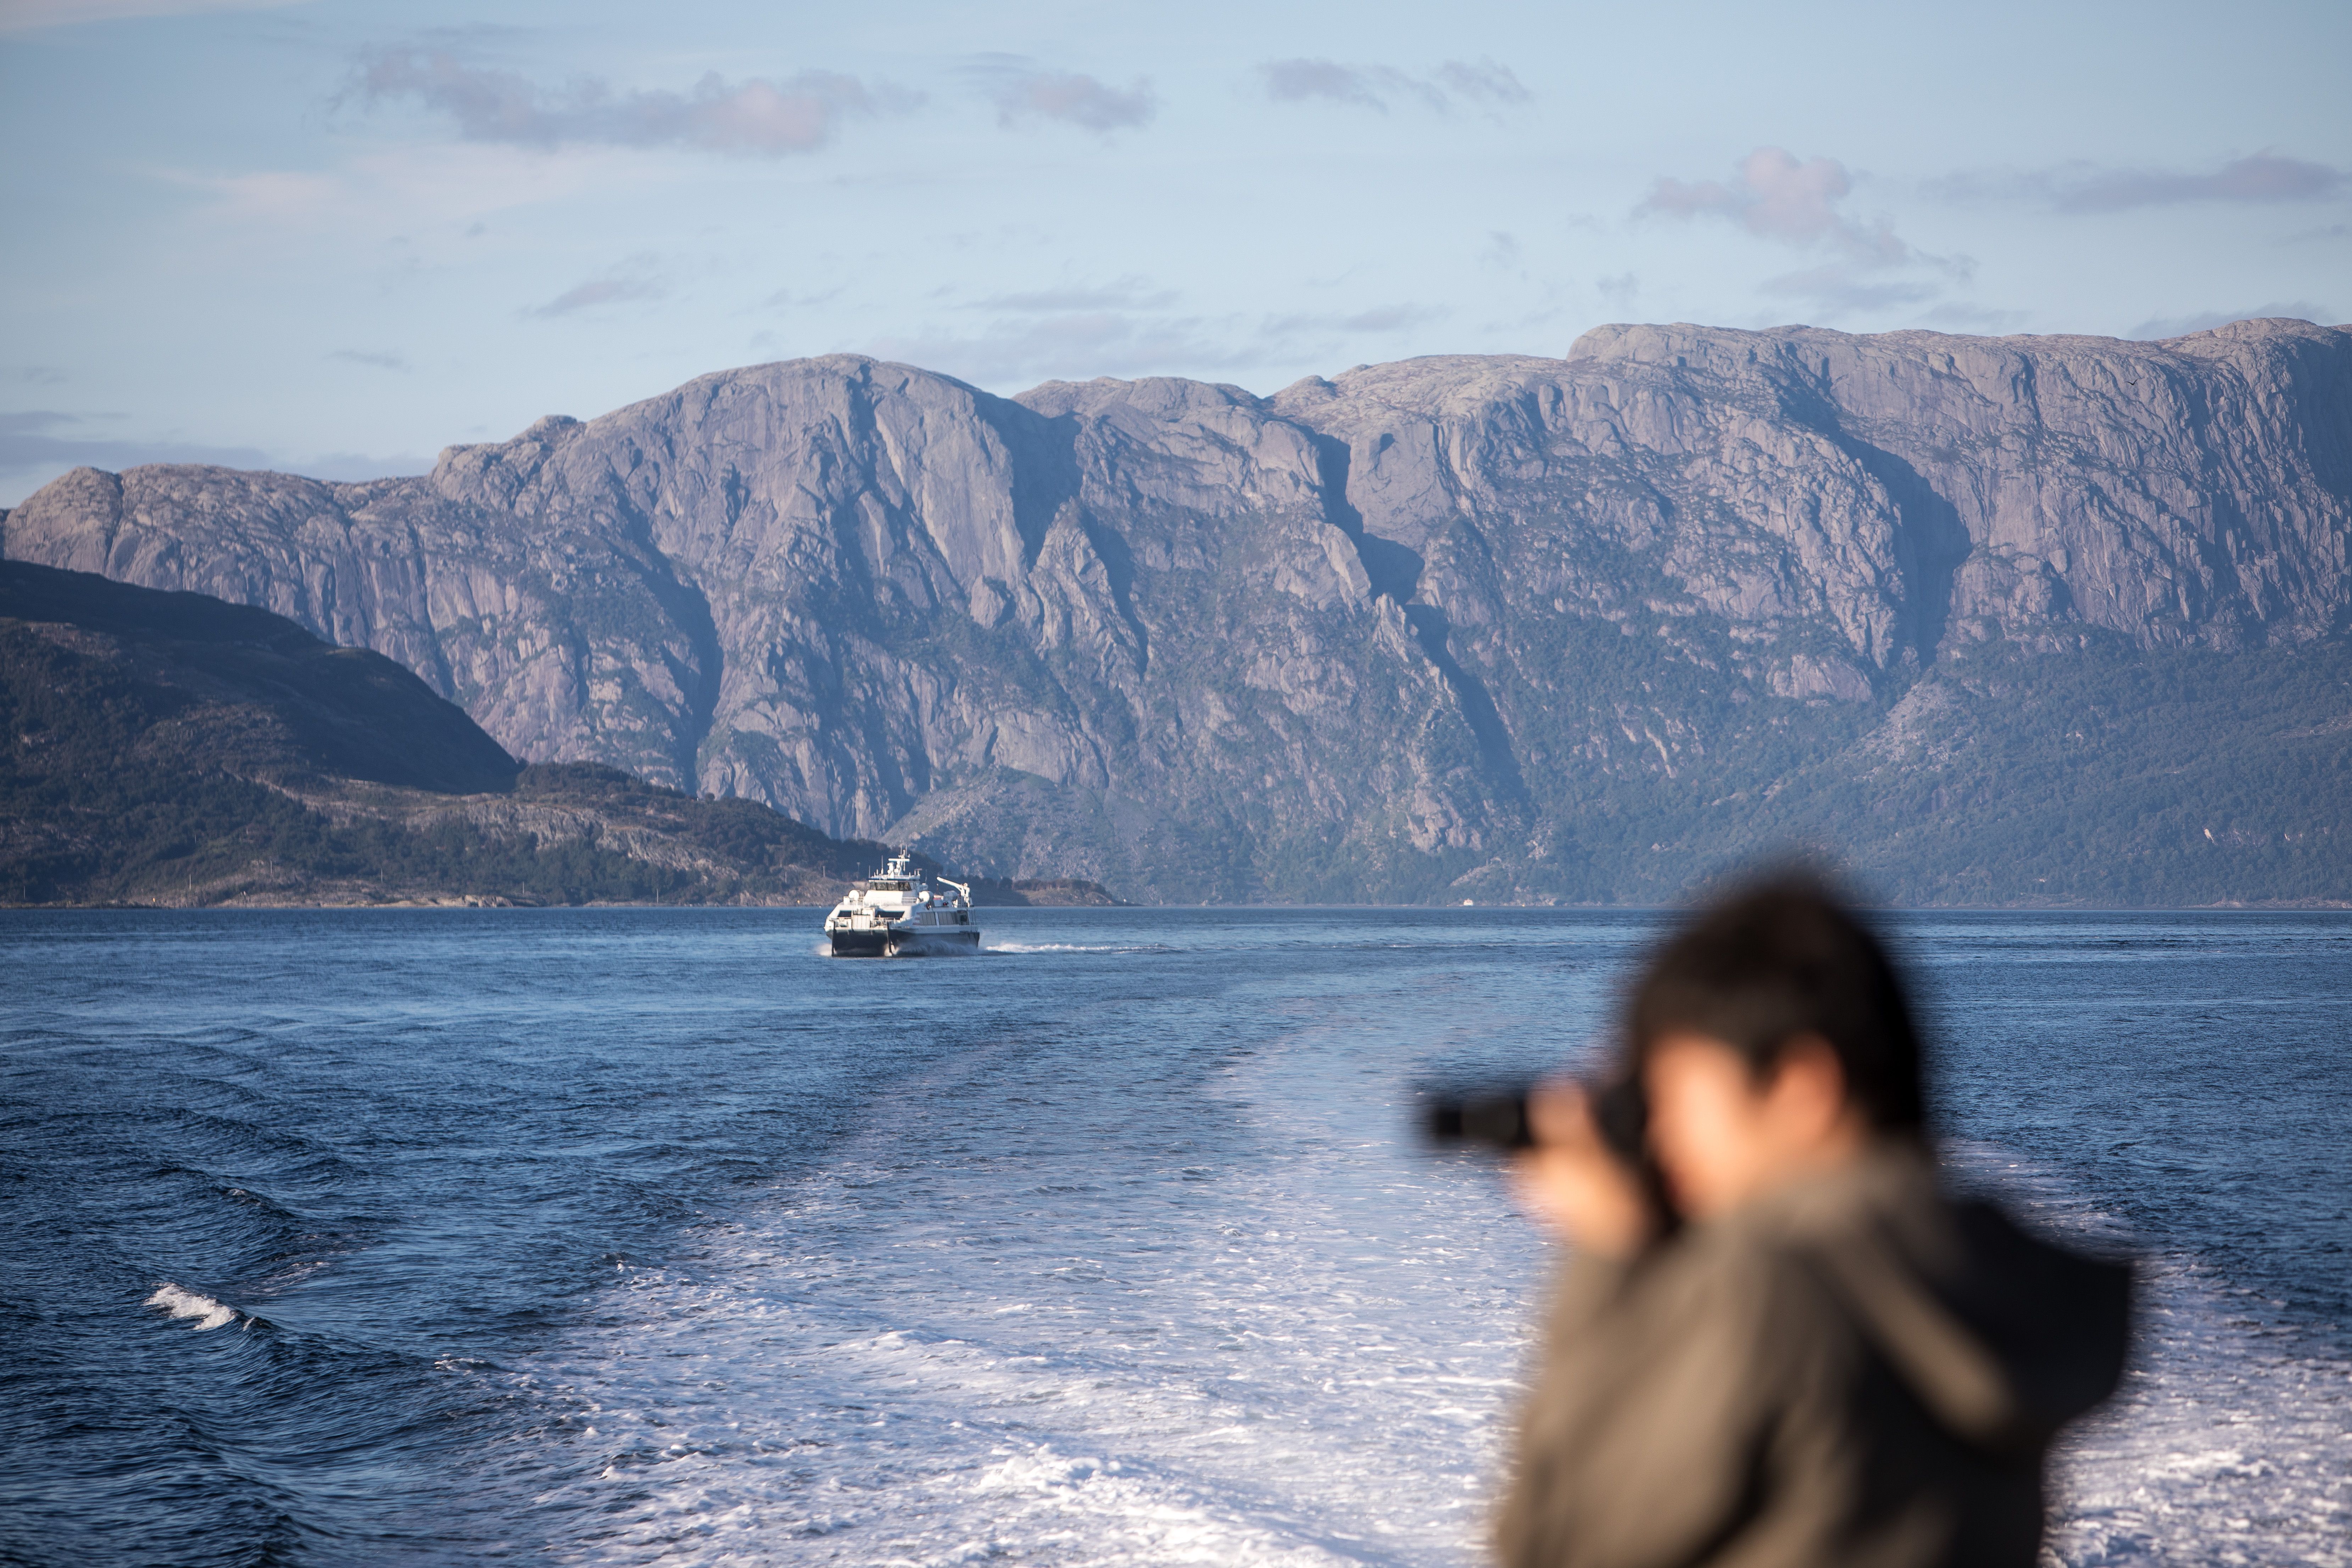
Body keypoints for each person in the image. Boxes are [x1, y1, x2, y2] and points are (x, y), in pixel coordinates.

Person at [1498, 876, 2132, 1568]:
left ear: (1801, 1086)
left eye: (1676, 1095)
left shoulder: (1771, 1290)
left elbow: (1556, 1543)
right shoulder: (1986, 1275)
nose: (1661, 1136)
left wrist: (1607, 1248)